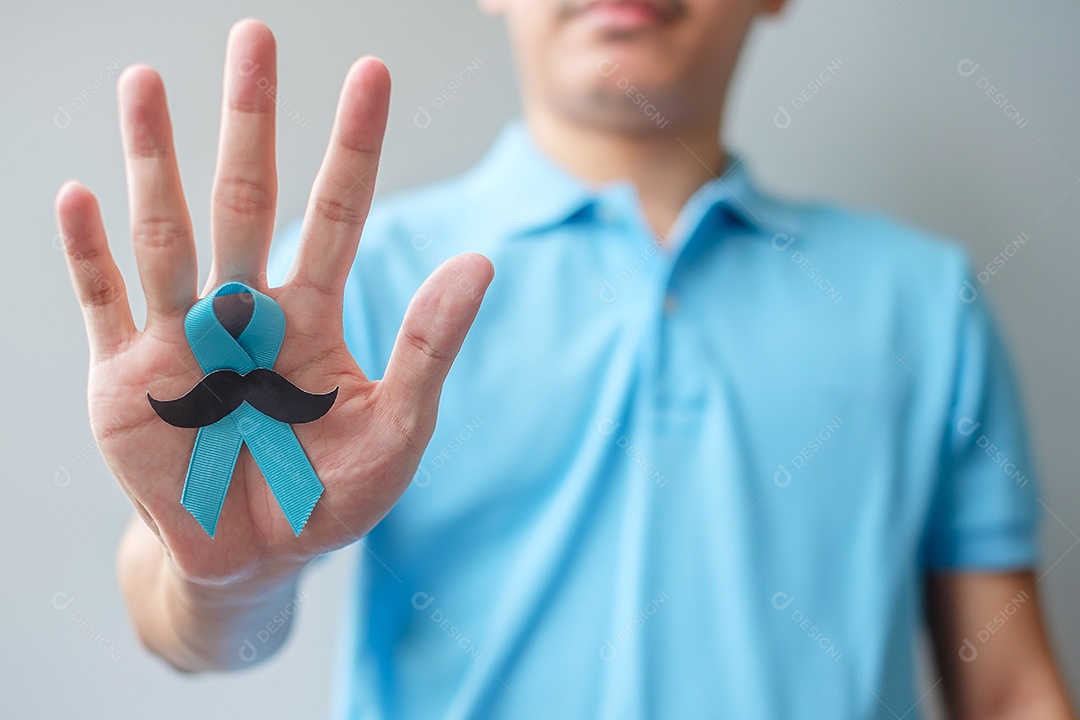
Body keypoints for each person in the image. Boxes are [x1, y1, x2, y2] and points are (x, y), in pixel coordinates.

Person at [53, 2, 1075, 718]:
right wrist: (231, 584)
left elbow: (1008, 690)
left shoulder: (922, 302)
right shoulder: (345, 293)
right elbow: (193, 620)